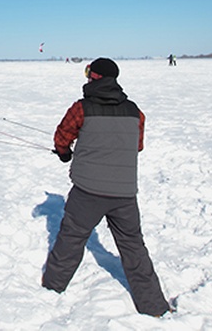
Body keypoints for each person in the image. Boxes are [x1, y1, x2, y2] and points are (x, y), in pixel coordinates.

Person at [43, 57, 171, 317]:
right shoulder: (135, 111)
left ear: (96, 77)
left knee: (71, 239)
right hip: (124, 195)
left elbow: (61, 138)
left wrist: (65, 153)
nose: (87, 76)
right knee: (134, 248)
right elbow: (137, 146)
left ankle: (51, 290)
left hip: (87, 192)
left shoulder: (81, 108)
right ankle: (155, 308)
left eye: (89, 72)